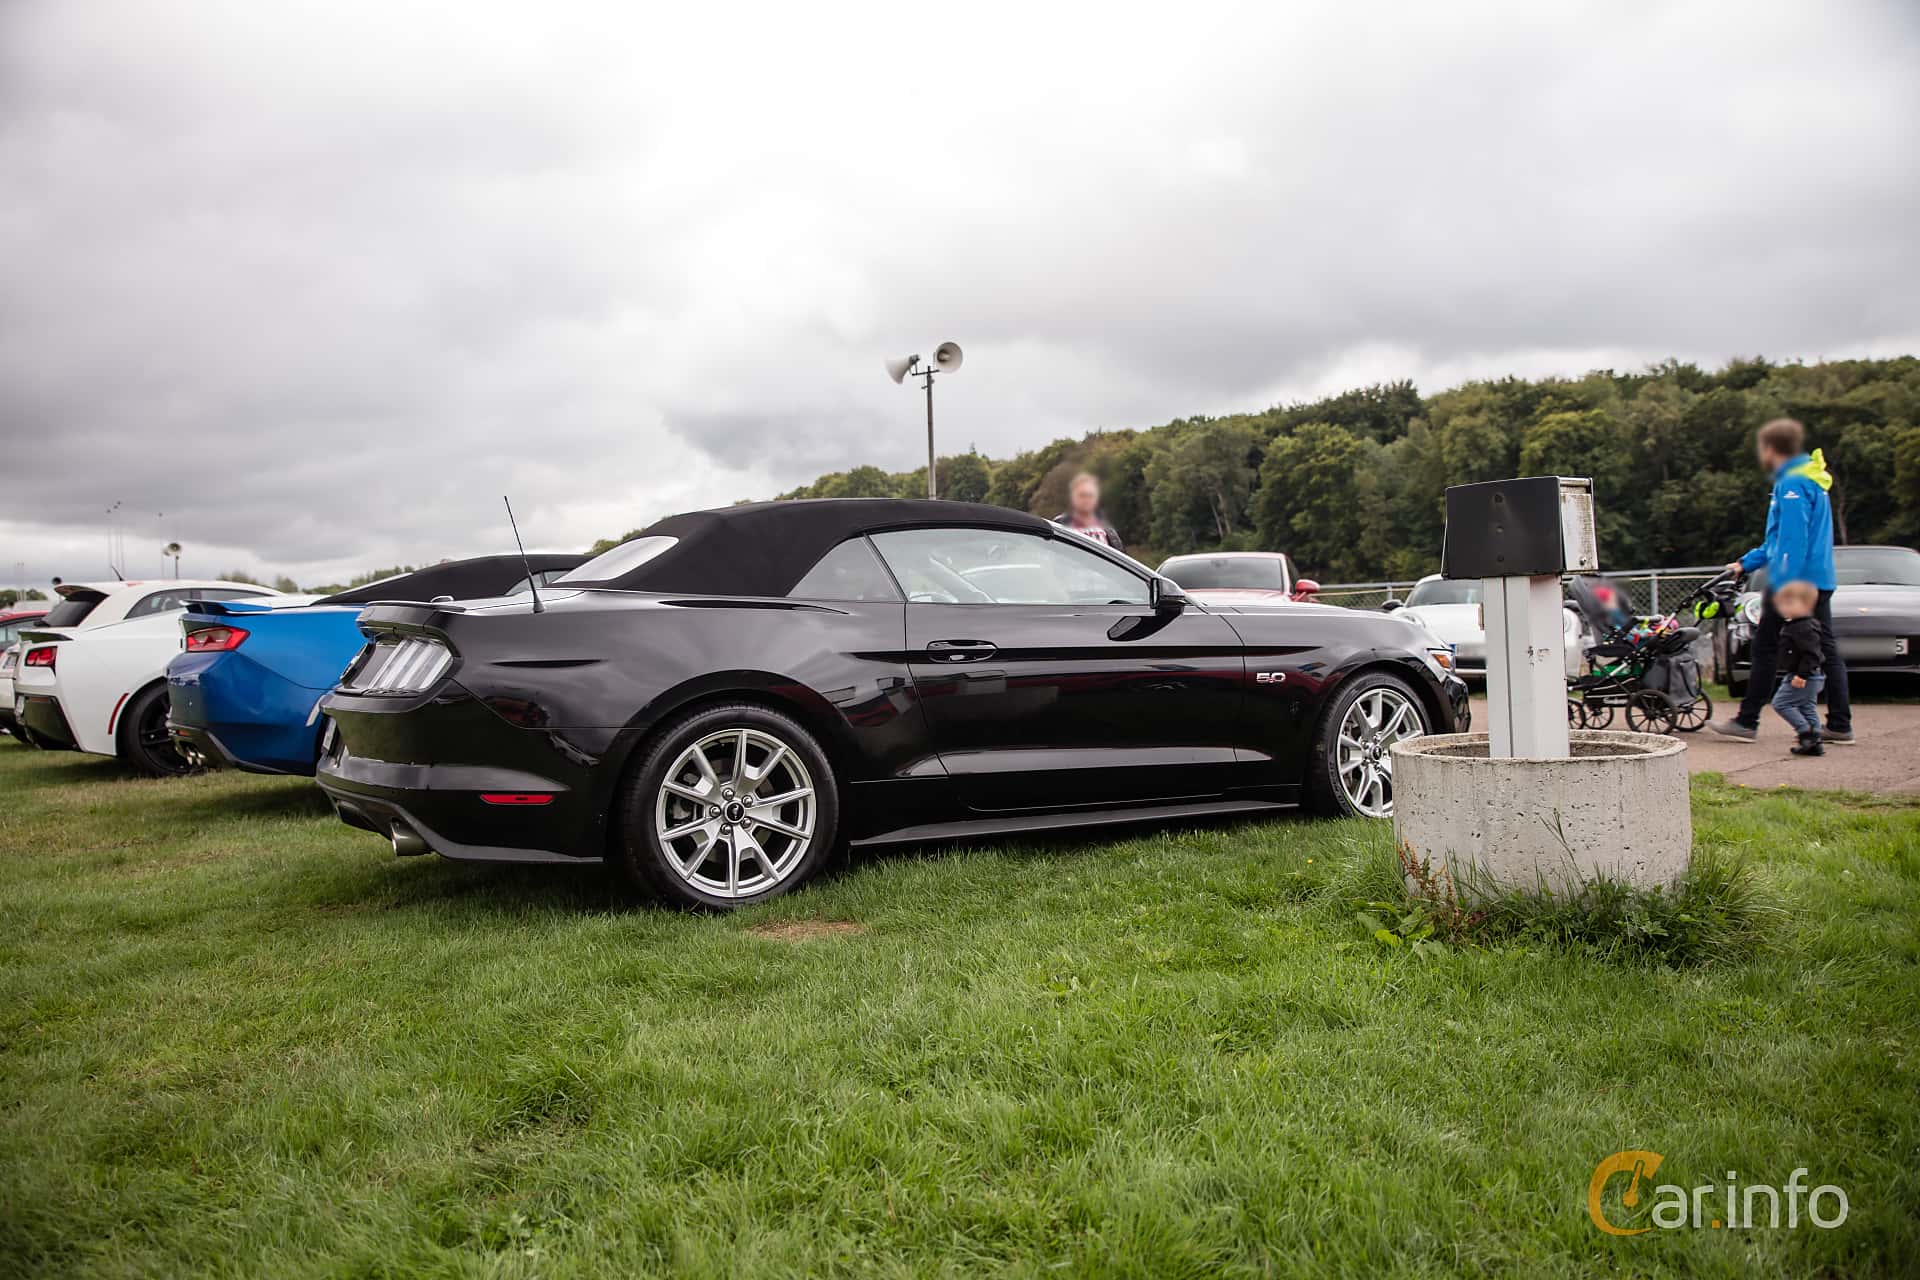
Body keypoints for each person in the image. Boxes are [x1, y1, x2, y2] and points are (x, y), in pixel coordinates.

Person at [1710, 418, 1852, 743]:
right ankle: (1841, 724)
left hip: (1796, 580)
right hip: (1819, 578)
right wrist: (1745, 564)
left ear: (1771, 449)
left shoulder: (1792, 485)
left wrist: (1788, 584)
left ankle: (1747, 721)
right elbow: (1777, 542)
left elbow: (1792, 542)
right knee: (1826, 647)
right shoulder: (1811, 479)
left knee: (1765, 647)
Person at [1766, 580, 1827, 757]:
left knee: (1781, 703)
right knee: (1807, 707)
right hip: (1807, 675)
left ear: (1807, 605)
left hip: (1804, 676)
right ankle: (1814, 743)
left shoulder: (1804, 628)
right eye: (1782, 604)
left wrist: (1802, 674)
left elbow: (1811, 654)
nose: (1784, 608)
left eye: (1789, 603)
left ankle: (1805, 732)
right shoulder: (1796, 625)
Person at [1052, 472, 1124, 552]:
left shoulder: (1108, 529)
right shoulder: (1060, 523)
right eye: (1082, 495)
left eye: (1090, 495)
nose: (1086, 500)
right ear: (1072, 497)